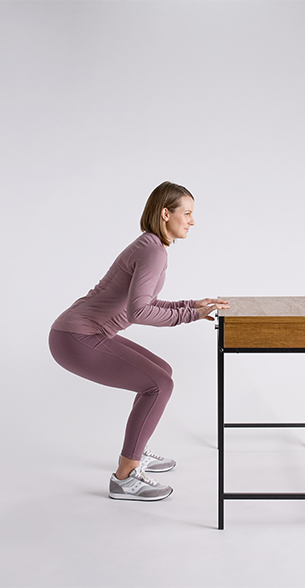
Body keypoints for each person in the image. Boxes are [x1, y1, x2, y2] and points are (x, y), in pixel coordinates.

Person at [48, 181, 229, 501]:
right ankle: (125, 477)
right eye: (186, 213)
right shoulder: (152, 251)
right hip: (76, 337)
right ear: (165, 213)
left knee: (162, 371)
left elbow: (142, 303)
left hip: (83, 333)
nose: (192, 221)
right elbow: (140, 310)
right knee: (159, 384)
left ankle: (136, 451)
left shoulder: (150, 246)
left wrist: (193, 307)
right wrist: (189, 316)